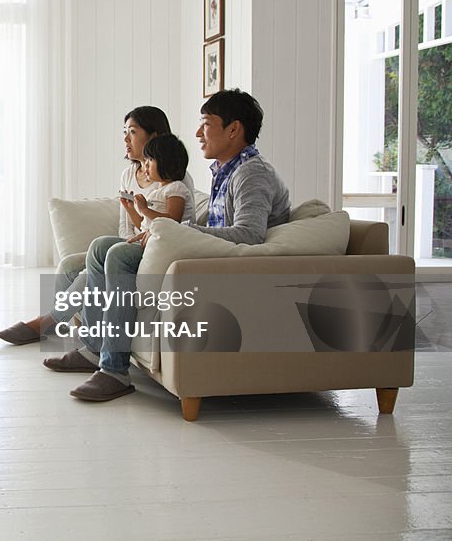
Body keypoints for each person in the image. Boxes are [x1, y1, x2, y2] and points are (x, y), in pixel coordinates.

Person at [45, 89, 290, 402]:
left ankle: (114, 369)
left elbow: (249, 235)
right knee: (101, 247)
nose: (198, 132)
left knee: (119, 255)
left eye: (206, 124)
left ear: (233, 129)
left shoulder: (251, 174)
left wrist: (180, 231)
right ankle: (94, 348)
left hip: (221, 264)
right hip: (206, 253)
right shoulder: (227, 170)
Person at [0, 106, 193, 345]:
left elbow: (176, 223)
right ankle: (67, 325)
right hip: (132, 242)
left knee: (92, 270)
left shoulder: (175, 178)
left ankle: (49, 322)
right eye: (124, 132)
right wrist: (128, 236)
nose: (125, 139)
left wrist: (134, 236)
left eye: (132, 132)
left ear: (153, 136)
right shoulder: (129, 174)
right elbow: (125, 225)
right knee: (70, 265)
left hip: (155, 248)